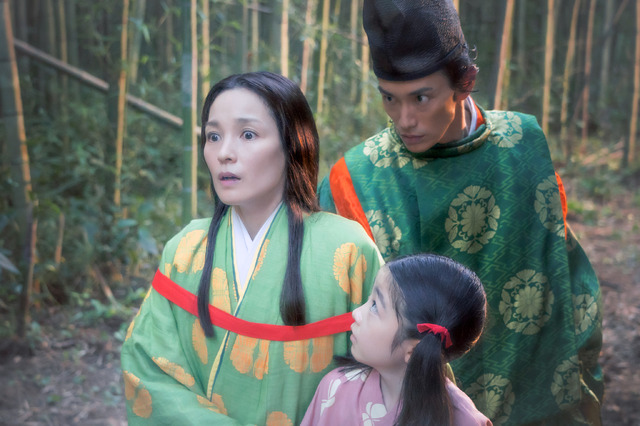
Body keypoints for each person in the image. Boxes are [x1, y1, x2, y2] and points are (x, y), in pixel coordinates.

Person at [317, 0, 603, 424]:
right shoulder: (355, 178)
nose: (404, 119)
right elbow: (338, 317)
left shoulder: (524, 147)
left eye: (421, 97)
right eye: (389, 99)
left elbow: (566, 279)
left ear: (464, 82)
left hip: (534, 397)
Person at [121, 71, 383, 425]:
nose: (224, 153)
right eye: (213, 136)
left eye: (247, 134)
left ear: (293, 143)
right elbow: (148, 368)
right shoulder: (184, 249)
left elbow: (396, 373)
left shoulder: (348, 250)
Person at [302, 253, 492, 426]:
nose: (356, 313)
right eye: (369, 299)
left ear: (412, 350)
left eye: (375, 306)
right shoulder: (335, 388)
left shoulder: (468, 421)